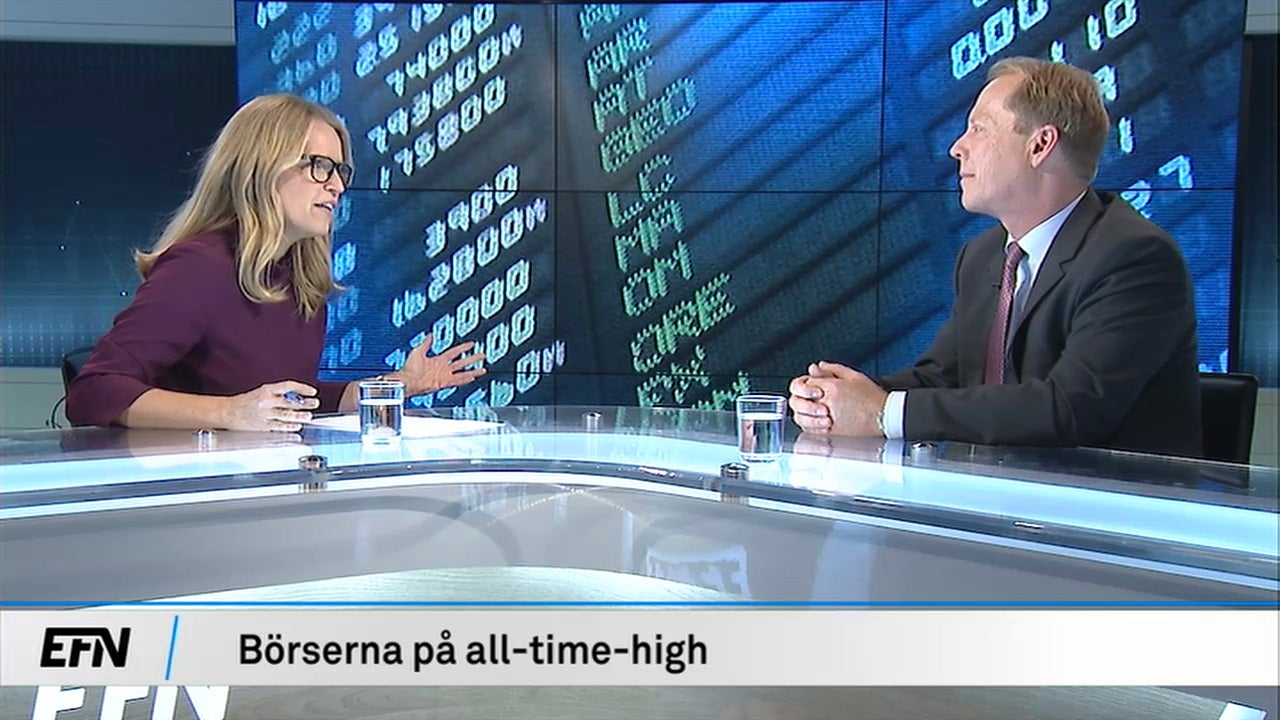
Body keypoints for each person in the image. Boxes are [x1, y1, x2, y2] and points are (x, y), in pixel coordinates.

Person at [789, 57, 1202, 457]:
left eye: (979, 129)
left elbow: (1071, 408)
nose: (957, 148)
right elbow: (944, 378)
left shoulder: (1133, 257)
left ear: (1040, 145)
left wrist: (882, 413)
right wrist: (843, 398)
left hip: (1107, 499)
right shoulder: (982, 255)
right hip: (998, 490)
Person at [66, 94, 485, 431]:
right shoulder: (199, 268)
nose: (337, 186)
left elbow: (290, 400)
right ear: (262, 168)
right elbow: (93, 392)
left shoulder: (298, 280)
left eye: (341, 171)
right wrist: (228, 413)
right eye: (319, 166)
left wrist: (398, 385)